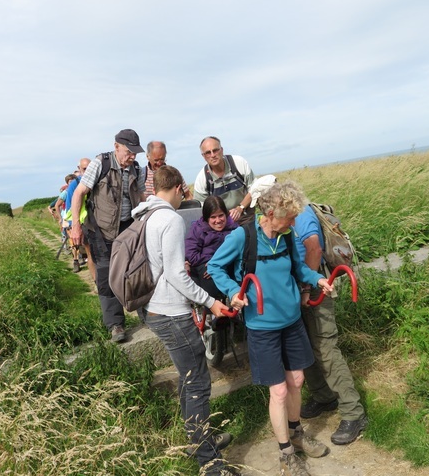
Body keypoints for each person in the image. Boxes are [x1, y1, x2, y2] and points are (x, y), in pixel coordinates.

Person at [207, 180, 334, 476]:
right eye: (289, 216)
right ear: (271, 211)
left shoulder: (287, 235)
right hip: (262, 326)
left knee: (298, 380)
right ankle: (285, 453)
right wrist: (232, 291)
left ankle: (297, 434)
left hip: (291, 320)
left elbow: (297, 268)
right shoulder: (243, 236)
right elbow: (214, 267)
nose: (293, 222)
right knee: (278, 391)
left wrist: (317, 279)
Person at [132, 165, 240, 476]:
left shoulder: (145, 215)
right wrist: (211, 303)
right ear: (180, 188)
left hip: (153, 307)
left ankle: (199, 439)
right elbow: (178, 274)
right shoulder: (170, 219)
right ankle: (209, 462)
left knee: (187, 378)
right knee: (197, 383)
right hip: (170, 312)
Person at [294, 205, 369, 445]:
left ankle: (353, 414)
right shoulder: (282, 216)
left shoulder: (301, 213)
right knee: (306, 346)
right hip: (299, 289)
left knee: (325, 349)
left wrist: (307, 288)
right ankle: (324, 397)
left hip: (315, 289)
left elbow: (314, 249)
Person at [70, 129, 146, 343]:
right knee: (106, 276)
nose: (132, 157)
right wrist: (75, 225)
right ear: (116, 146)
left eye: (135, 153)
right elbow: (79, 193)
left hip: (128, 228)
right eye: (129, 152)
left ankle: (145, 313)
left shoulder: (137, 169)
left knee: (135, 271)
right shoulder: (100, 163)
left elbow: (140, 196)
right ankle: (116, 325)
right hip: (101, 231)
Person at [185, 195, 238, 299]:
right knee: (208, 274)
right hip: (205, 264)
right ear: (206, 218)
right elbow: (191, 255)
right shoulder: (198, 229)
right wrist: (213, 263)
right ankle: (212, 310)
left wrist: (219, 262)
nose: (218, 220)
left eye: (221, 215)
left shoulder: (235, 228)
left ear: (226, 214)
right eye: (213, 217)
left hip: (229, 263)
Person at [193, 136, 255, 223]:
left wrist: (240, 208)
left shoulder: (239, 163)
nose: (213, 155)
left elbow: (254, 189)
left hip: (246, 218)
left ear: (221, 150)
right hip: (221, 225)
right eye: (208, 153)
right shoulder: (202, 179)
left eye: (215, 150)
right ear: (203, 156)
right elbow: (201, 209)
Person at [66, 158, 96, 281]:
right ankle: (96, 282)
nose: (87, 171)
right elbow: (69, 207)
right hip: (84, 224)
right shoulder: (75, 184)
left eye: (89, 168)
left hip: (99, 223)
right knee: (90, 255)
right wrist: (74, 227)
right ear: (79, 169)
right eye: (84, 169)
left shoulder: (97, 181)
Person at [54, 173, 82, 272]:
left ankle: (82, 256)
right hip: (69, 218)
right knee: (73, 241)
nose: (73, 183)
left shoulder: (83, 189)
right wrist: (61, 218)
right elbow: (57, 205)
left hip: (81, 217)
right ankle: (76, 261)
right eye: (70, 182)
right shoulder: (66, 192)